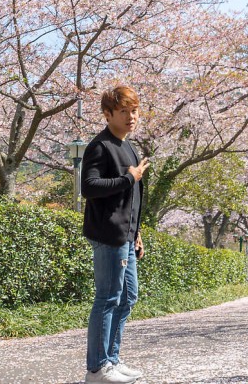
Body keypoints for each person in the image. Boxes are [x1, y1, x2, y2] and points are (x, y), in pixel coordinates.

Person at [81, 86, 149, 383]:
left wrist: (137, 232)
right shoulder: (101, 146)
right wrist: (128, 178)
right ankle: (97, 369)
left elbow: (130, 199)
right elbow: (89, 187)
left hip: (125, 236)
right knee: (108, 298)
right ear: (108, 114)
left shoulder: (127, 145)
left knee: (127, 298)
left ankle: (112, 360)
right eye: (124, 112)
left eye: (134, 111)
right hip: (108, 235)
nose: (131, 117)